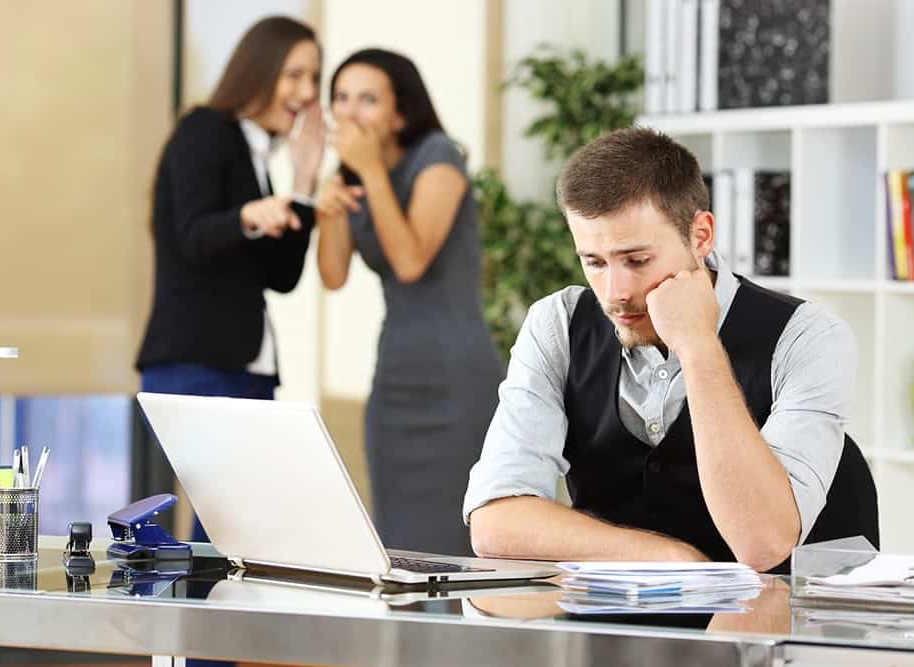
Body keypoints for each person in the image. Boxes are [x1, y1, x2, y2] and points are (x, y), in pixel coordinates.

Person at [463, 127, 861, 573]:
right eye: (593, 262)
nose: (614, 293)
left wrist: (698, 346)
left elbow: (763, 544)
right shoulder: (557, 324)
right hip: (617, 633)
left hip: (774, 631)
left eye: (637, 261)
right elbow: (495, 523)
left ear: (701, 235)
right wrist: (666, 555)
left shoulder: (809, 337)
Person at [136, 16, 324, 543]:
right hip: (197, 364)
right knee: (221, 532)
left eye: (313, 77)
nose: (307, 93)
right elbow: (192, 235)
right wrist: (251, 214)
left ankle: (203, 622)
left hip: (249, 370)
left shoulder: (257, 152)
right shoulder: (206, 130)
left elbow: (281, 276)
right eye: (294, 75)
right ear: (258, 70)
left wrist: (304, 182)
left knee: (231, 534)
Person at [317, 49, 503, 556]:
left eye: (368, 99)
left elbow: (410, 261)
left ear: (399, 113)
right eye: (342, 98)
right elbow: (332, 276)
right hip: (396, 380)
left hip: (456, 380)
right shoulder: (352, 175)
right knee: (397, 546)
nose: (351, 112)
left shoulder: (439, 157)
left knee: (458, 547)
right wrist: (327, 205)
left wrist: (371, 173)